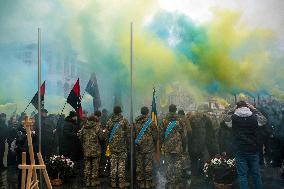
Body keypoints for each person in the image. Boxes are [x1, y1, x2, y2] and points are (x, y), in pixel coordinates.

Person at [228, 101, 267, 189]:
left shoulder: (234, 117)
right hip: (253, 148)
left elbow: (225, 119)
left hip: (240, 149)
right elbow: (264, 120)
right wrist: (254, 109)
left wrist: (232, 110)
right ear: (247, 107)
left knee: (242, 175)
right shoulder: (254, 117)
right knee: (256, 174)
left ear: (237, 107)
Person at [160, 104, 186, 189]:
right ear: (175, 110)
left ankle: (170, 182)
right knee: (178, 164)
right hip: (178, 146)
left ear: (169, 110)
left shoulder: (164, 120)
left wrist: (161, 145)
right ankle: (177, 183)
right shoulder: (180, 120)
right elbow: (184, 135)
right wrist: (184, 147)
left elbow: (161, 135)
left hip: (167, 146)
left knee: (169, 164)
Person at [78, 111, 104, 187]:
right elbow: (101, 138)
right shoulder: (97, 127)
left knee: (87, 166)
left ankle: (87, 182)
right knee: (95, 166)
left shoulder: (84, 127)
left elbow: (80, 137)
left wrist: (85, 143)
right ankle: (93, 181)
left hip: (86, 150)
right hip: (96, 150)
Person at [106, 106, 129, 188]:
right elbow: (128, 134)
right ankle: (121, 182)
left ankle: (113, 182)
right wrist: (128, 145)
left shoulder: (109, 121)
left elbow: (107, 135)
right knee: (121, 164)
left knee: (113, 164)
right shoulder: (124, 121)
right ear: (120, 112)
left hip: (112, 146)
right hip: (122, 146)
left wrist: (108, 145)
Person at [134, 106, 157, 188]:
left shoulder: (136, 122)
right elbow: (155, 136)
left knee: (139, 165)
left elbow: (133, 135)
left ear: (141, 112)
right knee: (148, 165)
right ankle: (148, 183)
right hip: (149, 147)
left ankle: (140, 182)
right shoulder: (151, 122)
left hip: (138, 146)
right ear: (147, 112)